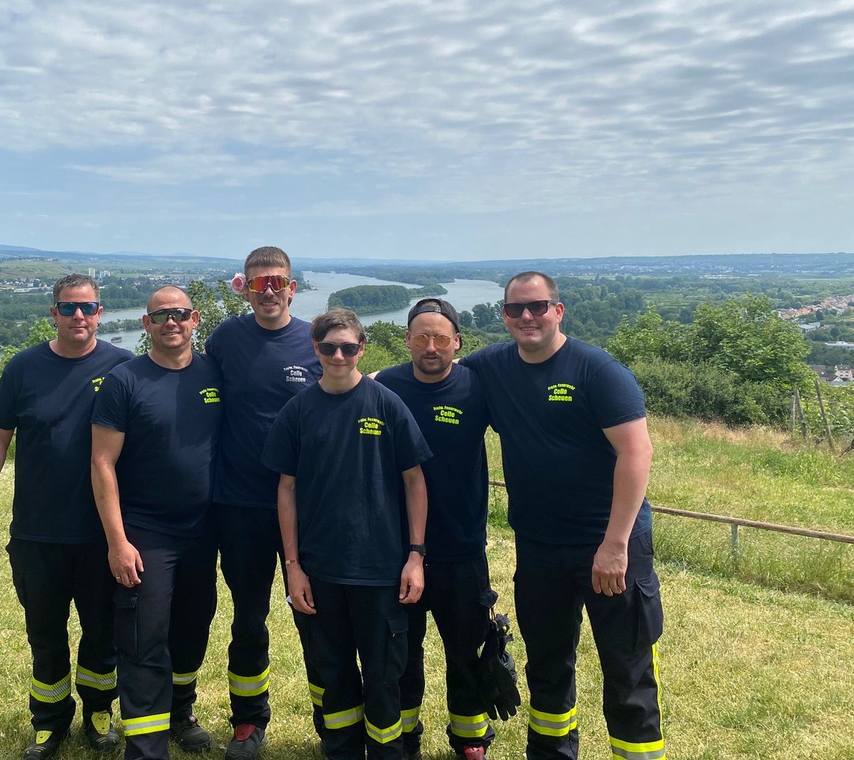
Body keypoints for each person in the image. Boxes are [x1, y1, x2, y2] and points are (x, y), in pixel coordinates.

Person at [459, 272, 665, 760]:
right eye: (515, 309)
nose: (527, 317)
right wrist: (363, 381)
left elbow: (637, 454)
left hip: (609, 544)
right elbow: (433, 375)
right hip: (540, 547)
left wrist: (614, 546)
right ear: (503, 315)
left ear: (559, 310)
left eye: (538, 306)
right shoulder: (492, 366)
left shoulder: (598, 370)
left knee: (628, 667)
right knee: (548, 666)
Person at [0, 273, 132, 760]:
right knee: (45, 632)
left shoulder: (124, 368)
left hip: (103, 534)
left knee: (102, 632)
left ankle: (100, 711)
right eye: (68, 307)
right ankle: (49, 722)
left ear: (100, 312)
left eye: (88, 307)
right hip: (38, 532)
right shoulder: (24, 368)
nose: (78, 315)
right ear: (53, 313)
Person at [262, 309, 431, 760]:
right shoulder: (297, 411)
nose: (339, 356)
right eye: (329, 347)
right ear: (315, 350)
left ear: (362, 349)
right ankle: (340, 750)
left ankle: (387, 752)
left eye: (349, 347)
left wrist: (415, 555)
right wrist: (293, 567)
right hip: (320, 570)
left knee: (384, 674)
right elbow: (286, 490)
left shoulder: (385, 403)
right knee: (331, 672)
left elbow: (415, 480)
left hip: (380, 568)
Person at [91, 285, 223, 760]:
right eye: (161, 315)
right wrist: (117, 540)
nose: (172, 322)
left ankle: (180, 712)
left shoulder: (214, 372)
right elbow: (102, 463)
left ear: (195, 320)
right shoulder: (124, 381)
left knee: (193, 628)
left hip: (204, 531)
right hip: (146, 532)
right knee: (144, 636)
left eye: (181, 314)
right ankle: (146, 748)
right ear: (146, 324)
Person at [205, 246, 323, 760]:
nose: (269, 291)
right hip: (242, 504)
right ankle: (249, 722)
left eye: (278, 282)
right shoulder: (226, 339)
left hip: (310, 507)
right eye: (259, 283)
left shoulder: (318, 341)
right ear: (244, 288)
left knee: (317, 618)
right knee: (248, 617)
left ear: (292, 287)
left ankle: (335, 723)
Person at [375, 299, 497, 760]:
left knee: (466, 648)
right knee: (399, 651)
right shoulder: (384, 386)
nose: (431, 346)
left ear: (457, 343)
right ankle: (405, 736)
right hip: (395, 546)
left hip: (462, 545)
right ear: (407, 339)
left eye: (441, 338)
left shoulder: (477, 388)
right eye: (421, 337)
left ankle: (469, 739)